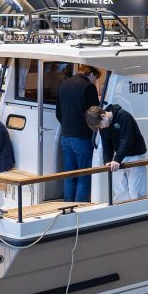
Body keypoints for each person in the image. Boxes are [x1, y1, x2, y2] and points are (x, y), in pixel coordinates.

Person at [85, 104, 148, 203]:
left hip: (135, 154)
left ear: (103, 115)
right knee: (120, 191)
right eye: (99, 127)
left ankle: (140, 209)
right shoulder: (103, 127)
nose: (101, 127)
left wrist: (116, 159)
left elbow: (126, 139)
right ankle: (123, 210)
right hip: (119, 156)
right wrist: (107, 161)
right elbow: (106, 144)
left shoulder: (123, 116)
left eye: (100, 125)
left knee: (136, 191)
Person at [57, 66, 101, 203]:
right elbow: (96, 114)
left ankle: (68, 206)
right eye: (96, 78)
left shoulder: (64, 85)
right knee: (84, 175)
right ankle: (80, 207)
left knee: (69, 175)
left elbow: (58, 112)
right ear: (91, 74)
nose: (95, 81)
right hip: (82, 137)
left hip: (65, 136)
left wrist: (67, 126)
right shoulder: (88, 87)